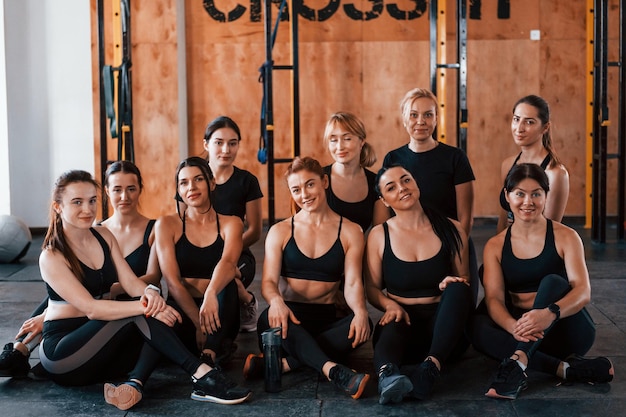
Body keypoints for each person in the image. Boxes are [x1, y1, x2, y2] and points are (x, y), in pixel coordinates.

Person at [37, 169, 251, 410]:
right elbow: (92, 309)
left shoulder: (103, 236)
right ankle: (202, 376)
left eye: (92, 200)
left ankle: (135, 383)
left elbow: (130, 282)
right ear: (58, 207)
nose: (87, 209)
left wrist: (151, 294)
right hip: (65, 355)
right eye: (77, 202)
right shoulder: (52, 255)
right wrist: (146, 305)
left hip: (100, 348)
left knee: (154, 318)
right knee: (141, 314)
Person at [0, 160, 160, 379]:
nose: (124, 196)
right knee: (55, 298)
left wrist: (142, 293)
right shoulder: (96, 228)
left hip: (121, 297)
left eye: (131, 188)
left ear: (141, 189)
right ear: (107, 192)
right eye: (117, 189)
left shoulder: (151, 228)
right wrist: (50, 315)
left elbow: (148, 277)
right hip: (96, 305)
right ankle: (21, 349)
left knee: (85, 297)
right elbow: (81, 296)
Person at [471, 163, 613, 400]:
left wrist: (549, 313)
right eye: (520, 194)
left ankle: (516, 363)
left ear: (546, 196)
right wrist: (513, 327)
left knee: (553, 282)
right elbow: (494, 298)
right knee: (474, 326)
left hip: (564, 329)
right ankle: (563, 369)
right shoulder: (495, 245)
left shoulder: (566, 236)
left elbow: (583, 290)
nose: (528, 202)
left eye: (536, 194)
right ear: (507, 196)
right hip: (521, 332)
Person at [243, 156, 372, 399]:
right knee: (268, 322)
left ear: (324, 181)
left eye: (310, 184)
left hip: (325, 318)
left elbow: (353, 282)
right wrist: (277, 303)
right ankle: (333, 370)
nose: (304, 194)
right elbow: (269, 282)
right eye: (296, 189)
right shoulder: (280, 231)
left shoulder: (351, 231)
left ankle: (284, 364)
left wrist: (361, 311)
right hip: (287, 318)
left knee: (363, 325)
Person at [365, 165, 472, 404]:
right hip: (403, 325)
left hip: (444, 332)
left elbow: (465, 281)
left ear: (416, 183)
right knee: (392, 322)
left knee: (458, 288)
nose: (402, 188)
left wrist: (451, 281)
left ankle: (430, 368)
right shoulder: (379, 235)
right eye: (391, 187)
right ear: (384, 200)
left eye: (406, 180)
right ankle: (388, 376)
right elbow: (371, 288)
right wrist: (388, 305)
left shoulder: (452, 227)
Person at [382, 87, 479, 305]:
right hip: (410, 249)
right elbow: (386, 215)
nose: (421, 121)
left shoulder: (455, 157)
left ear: (436, 118)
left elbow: (466, 217)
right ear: (404, 118)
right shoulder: (393, 158)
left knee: (461, 313)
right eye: (414, 115)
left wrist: (452, 253)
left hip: (452, 244)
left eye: (428, 114)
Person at [156, 156, 243, 366]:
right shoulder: (167, 225)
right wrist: (198, 322)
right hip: (184, 311)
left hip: (220, 312)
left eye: (198, 180)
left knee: (228, 283)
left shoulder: (232, 223)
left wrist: (211, 293)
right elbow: (172, 282)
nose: (191, 187)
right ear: (178, 190)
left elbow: (229, 263)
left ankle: (210, 354)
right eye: (184, 182)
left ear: (212, 183)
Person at [203, 116, 263, 333]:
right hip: (202, 253)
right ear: (206, 144)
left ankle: (247, 302)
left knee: (229, 277)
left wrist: (228, 252)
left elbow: (255, 231)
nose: (226, 149)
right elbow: (182, 224)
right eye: (219, 142)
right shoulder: (192, 178)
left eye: (233, 143)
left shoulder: (247, 181)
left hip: (238, 256)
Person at [497, 95, 569, 233]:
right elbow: (503, 218)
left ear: (545, 127)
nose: (519, 128)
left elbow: (548, 232)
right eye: (516, 119)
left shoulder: (555, 173)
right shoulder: (507, 165)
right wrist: (499, 249)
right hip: (510, 245)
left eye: (529, 122)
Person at [322, 111, 389, 232]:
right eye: (333, 140)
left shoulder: (376, 182)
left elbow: (380, 233)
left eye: (347, 138)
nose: (339, 147)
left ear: (362, 141)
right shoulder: (319, 178)